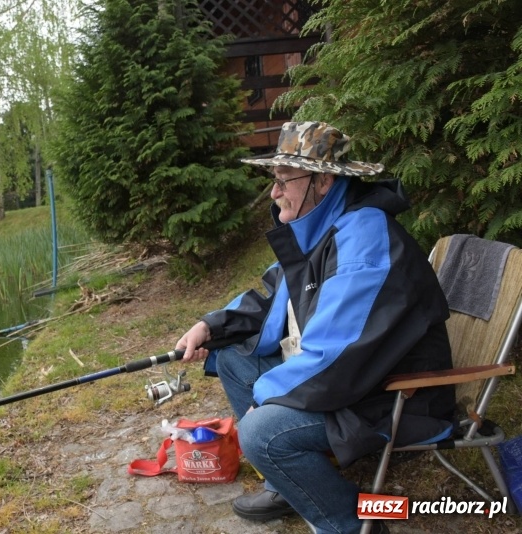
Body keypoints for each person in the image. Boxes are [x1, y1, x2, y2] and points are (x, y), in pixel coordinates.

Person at [175, 121, 455, 533]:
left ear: (323, 182)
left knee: (260, 432)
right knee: (233, 358)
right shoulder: (321, 227)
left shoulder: (362, 239)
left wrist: (265, 399)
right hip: (357, 384)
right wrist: (210, 326)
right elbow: (272, 298)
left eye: (283, 180)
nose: (274, 193)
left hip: (393, 397)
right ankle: (289, 485)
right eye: (274, 180)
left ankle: (352, 523)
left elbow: (337, 354)